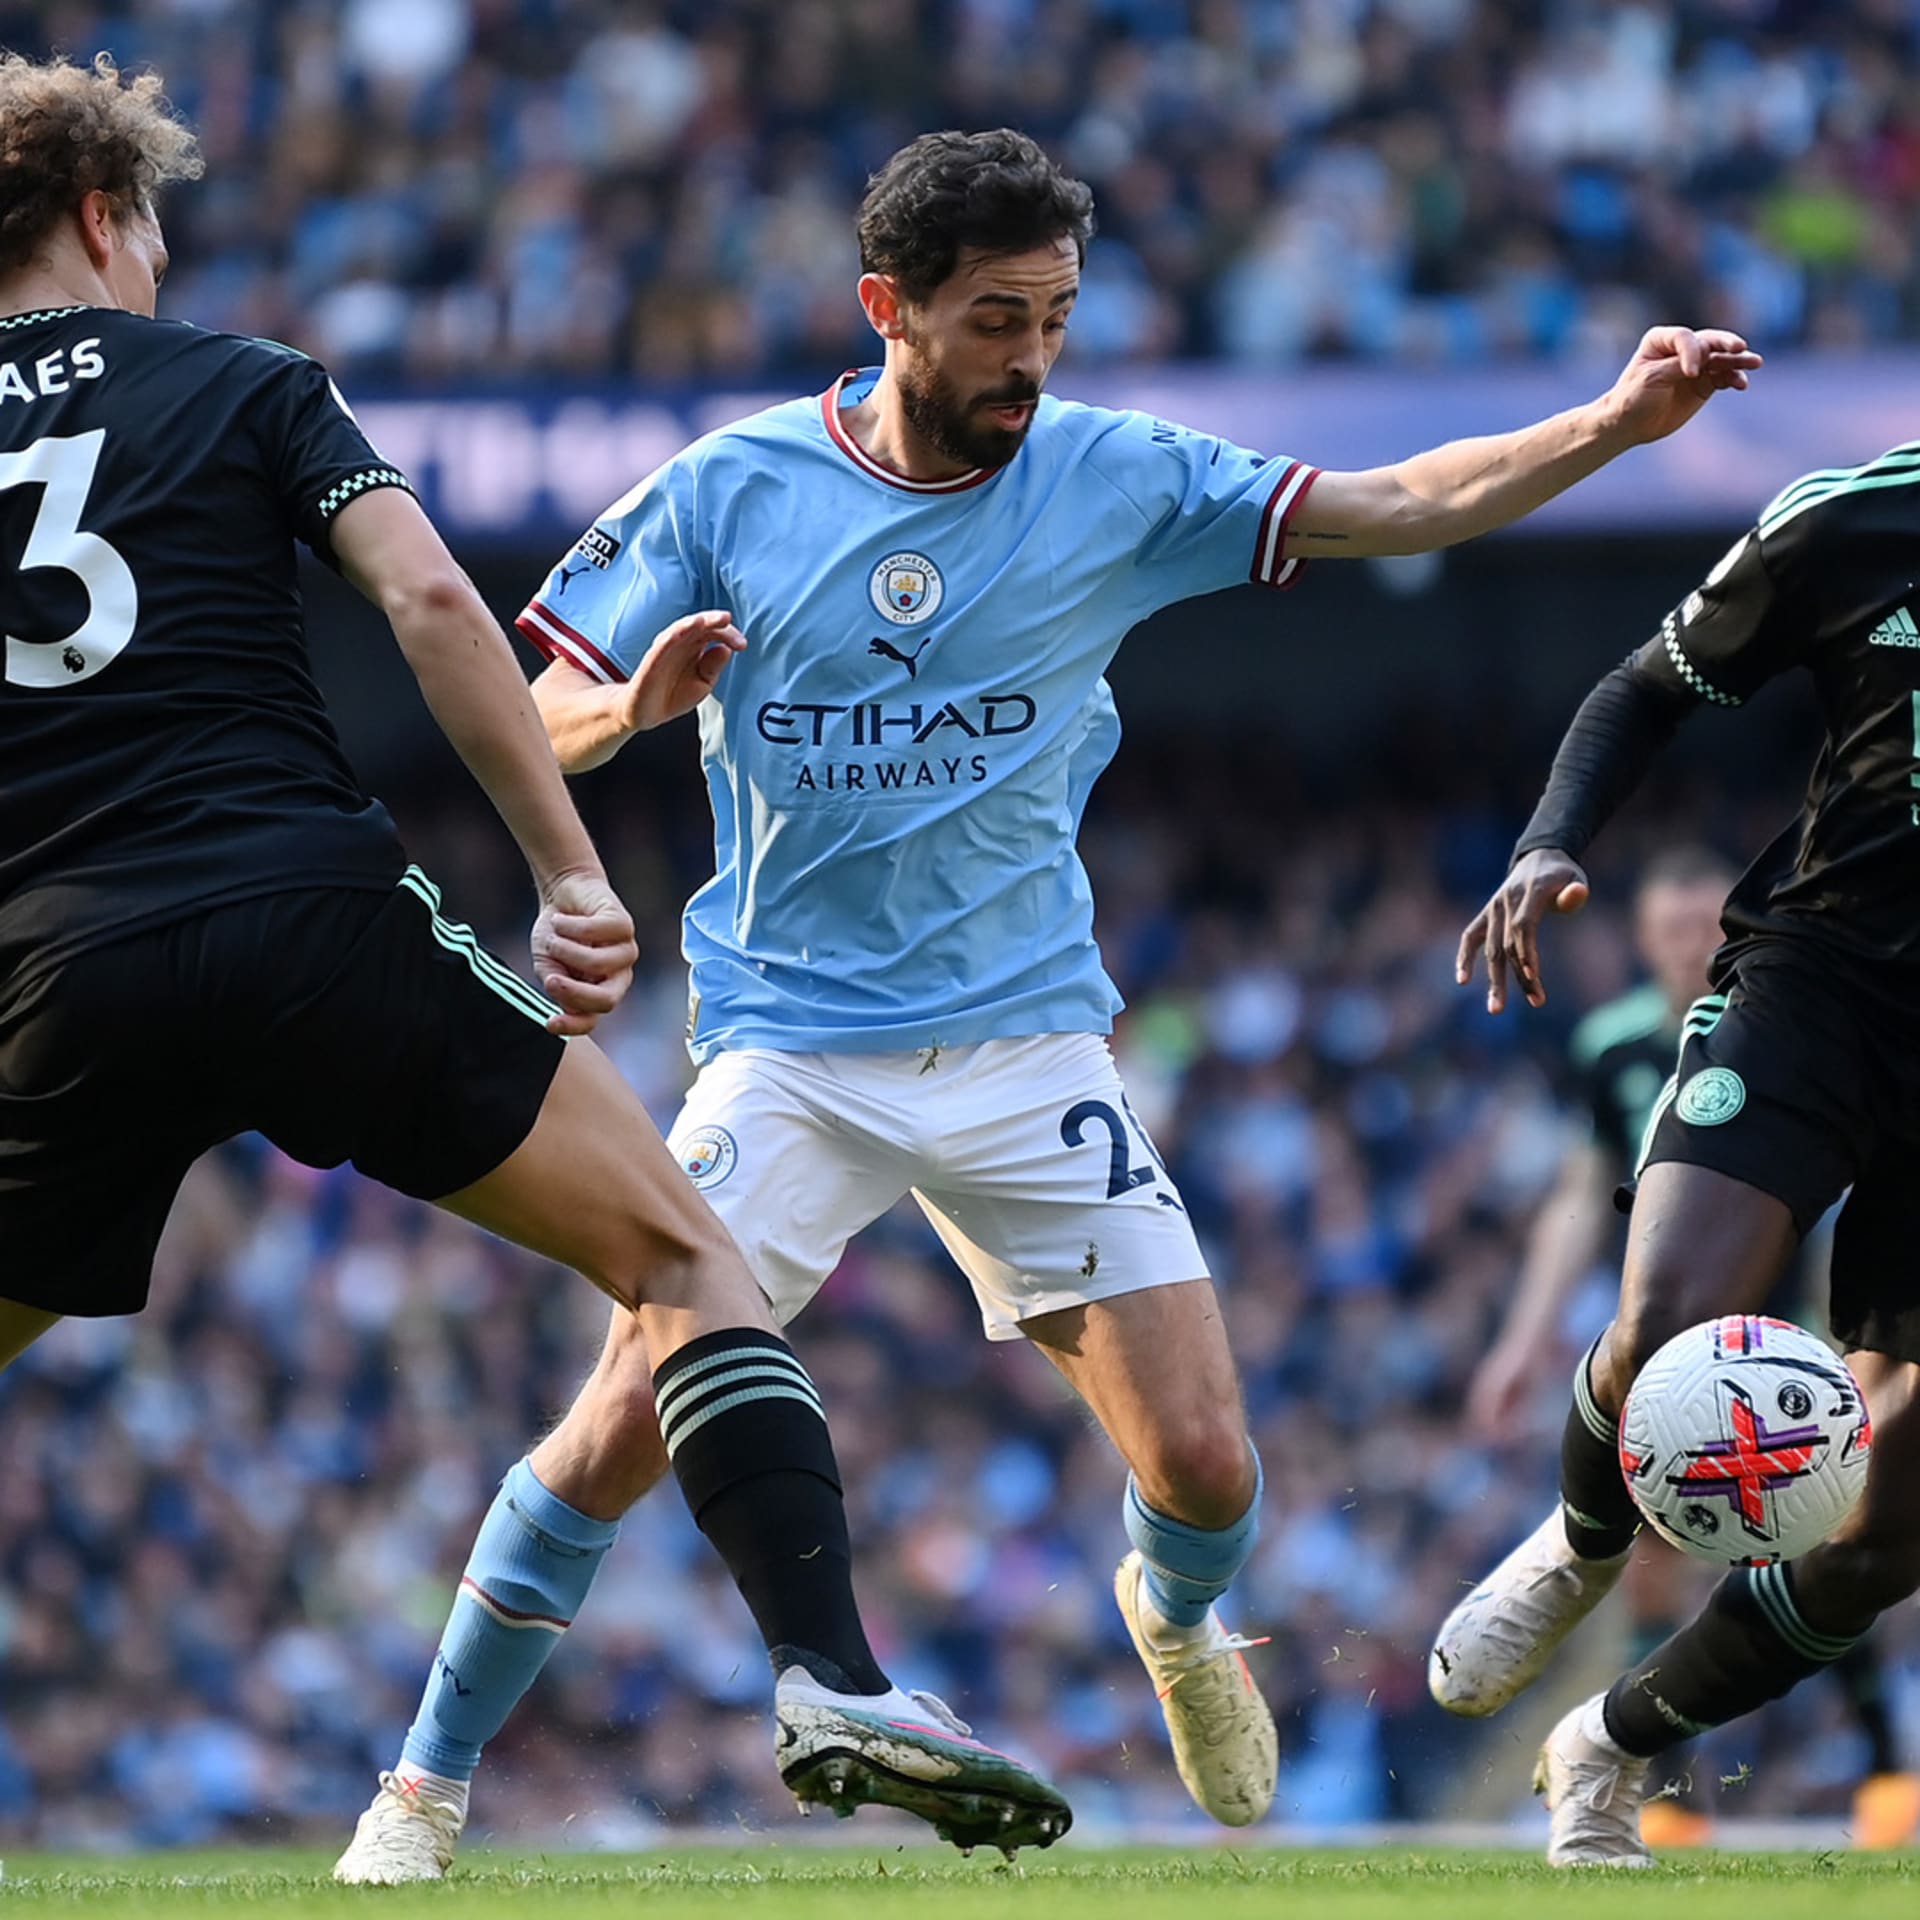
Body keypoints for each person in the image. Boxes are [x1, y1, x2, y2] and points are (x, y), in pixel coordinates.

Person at [337, 125, 1759, 1879]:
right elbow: (526, 712)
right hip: (788, 1047)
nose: (1032, 358)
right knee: (624, 1419)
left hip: (1025, 1039)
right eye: (998, 319)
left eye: (1058, 319)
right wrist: (629, 704)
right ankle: (421, 1785)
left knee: (1212, 1467)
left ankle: (1174, 1622)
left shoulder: (1113, 474)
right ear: (890, 309)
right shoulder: (730, 489)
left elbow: (1399, 501)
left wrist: (1609, 429)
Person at [0, 53, 1071, 1864]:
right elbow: (428, 599)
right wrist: (568, 872)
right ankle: (826, 1672)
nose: (161, 270)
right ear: (107, 213)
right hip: (303, 915)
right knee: (680, 1257)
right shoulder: (249, 382)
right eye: (155, 234)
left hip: (51, 970)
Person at [1431, 432, 1920, 1865]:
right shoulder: (1855, 522)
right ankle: (1580, 1548)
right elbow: (1647, 687)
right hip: (1821, 988)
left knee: (1883, 1538)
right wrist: (1547, 841)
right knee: (1668, 1320)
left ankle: (1607, 1745)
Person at [1460, 850, 1918, 1852]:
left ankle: (1886, 1774)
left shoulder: (1804, 1028)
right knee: (1663, 1569)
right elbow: (1585, 1193)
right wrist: (1523, 1337)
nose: (1683, 946)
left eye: (1699, 928)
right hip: (1668, 1334)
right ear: (1640, 941)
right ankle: (1658, 1792)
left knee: (1827, 1530)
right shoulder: (1615, 1046)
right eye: (1665, 931)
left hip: (1782, 1337)